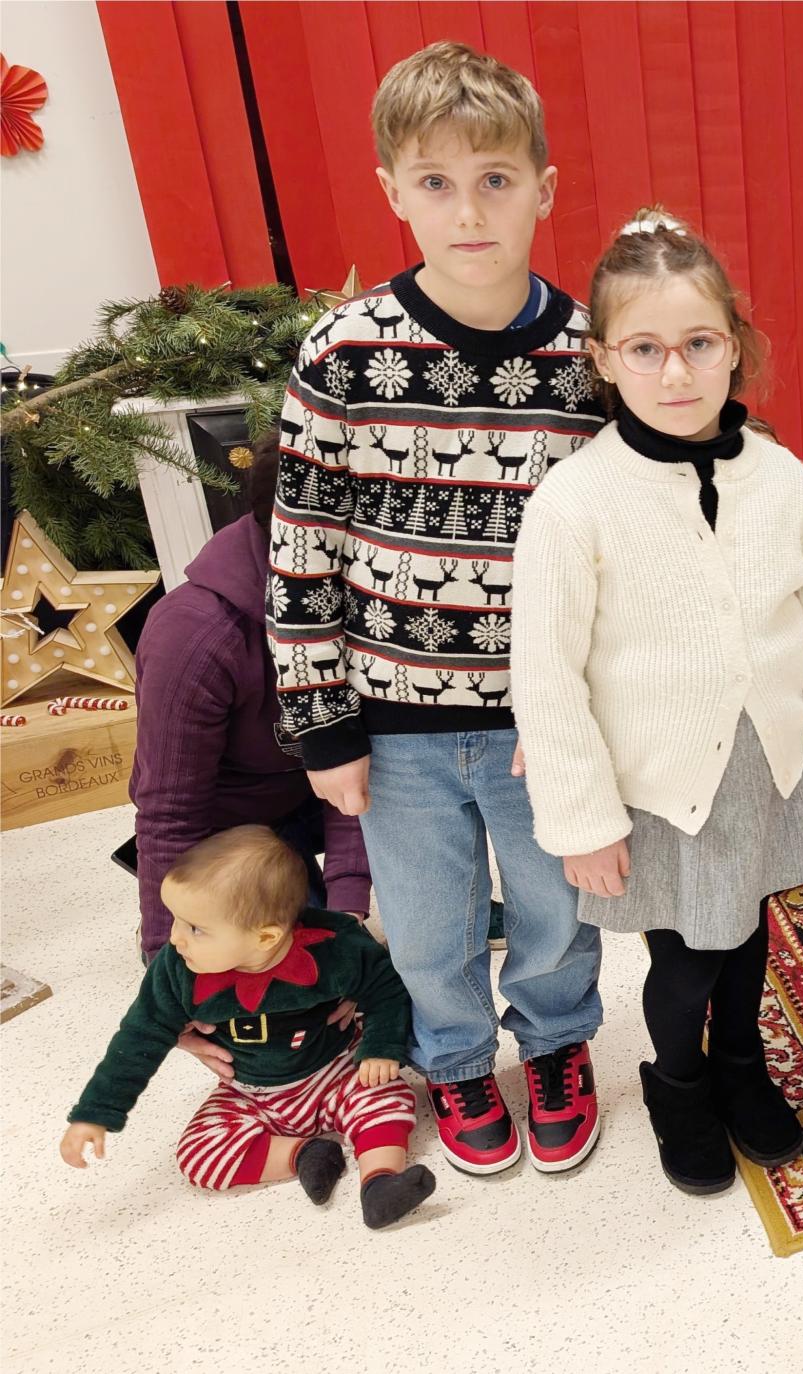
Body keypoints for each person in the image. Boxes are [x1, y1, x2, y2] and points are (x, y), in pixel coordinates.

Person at [266, 41, 604, 1177]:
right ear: (392, 191)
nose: (470, 210)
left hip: (541, 721)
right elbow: (302, 546)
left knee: (555, 908)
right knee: (424, 921)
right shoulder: (342, 354)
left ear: (544, 188)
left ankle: (556, 1044)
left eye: (497, 179)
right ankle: (455, 1061)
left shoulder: (584, 362)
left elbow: (617, 546)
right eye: (437, 182)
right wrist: (320, 721)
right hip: (394, 720)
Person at [512, 207, 803, 1197]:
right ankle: (677, 1080)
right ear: (604, 358)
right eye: (646, 349)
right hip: (657, 778)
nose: (676, 374)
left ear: (734, 346)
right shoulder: (575, 501)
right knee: (686, 955)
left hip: (762, 760)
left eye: (699, 345)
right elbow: (544, 677)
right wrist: (580, 818)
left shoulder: (784, 479)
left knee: (750, 929)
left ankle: (742, 1064)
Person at [62, 827, 436, 1230]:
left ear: (266, 937)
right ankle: (304, 1155)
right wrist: (95, 1113)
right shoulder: (177, 970)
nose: (175, 938)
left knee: (388, 1097)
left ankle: (379, 1182)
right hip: (250, 1092)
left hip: (336, 1070)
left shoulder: (333, 946)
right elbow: (138, 1038)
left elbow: (385, 985)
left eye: (195, 928)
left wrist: (380, 1046)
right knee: (197, 1155)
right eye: (177, 920)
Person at [129, 438, 369, 965]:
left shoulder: (365, 596)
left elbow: (367, 766)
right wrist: (169, 965)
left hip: (331, 791)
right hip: (232, 824)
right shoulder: (193, 634)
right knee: (270, 960)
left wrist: (352, 909)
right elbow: (170, 808)